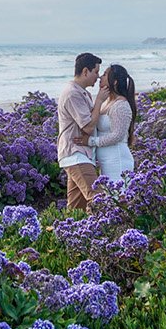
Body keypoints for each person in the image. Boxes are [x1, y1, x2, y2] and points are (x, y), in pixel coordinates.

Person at [56, 52, 104, 211]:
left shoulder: (81, 92)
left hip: (80, 155)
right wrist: (99, 101)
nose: (97, 77)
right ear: (85, 71)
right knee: (98, 197)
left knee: (77, 208)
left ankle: (69, 235)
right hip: (76, 155)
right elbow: (89, 127)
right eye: (96, 72)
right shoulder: (72, 94)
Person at [89, 64, 136, 181]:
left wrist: (91, 141)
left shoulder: (120, 105)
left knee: (118, 197)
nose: (100, 77)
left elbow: (118, 135)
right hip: (106, 161)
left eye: (104, 74)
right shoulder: (106, 102)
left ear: (114, 81)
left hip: (117, 160)